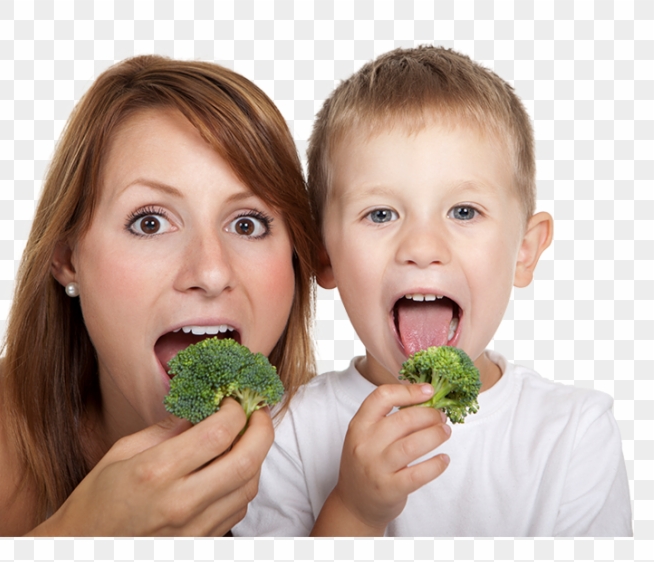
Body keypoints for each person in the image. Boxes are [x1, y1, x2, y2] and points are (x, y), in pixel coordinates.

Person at [0, 55, 320, 536]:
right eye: (150, 222)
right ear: (67, 257)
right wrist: (81, 536)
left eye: (247, 223)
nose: (211, 272)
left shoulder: (340, 457)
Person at [234, 46, 632, 537]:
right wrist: (354, 512)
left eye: (464, 212)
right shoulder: (286, 432)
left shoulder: (574, 434)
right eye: (380, 214)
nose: (422, 248)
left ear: (524, 251)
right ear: (324, 255)